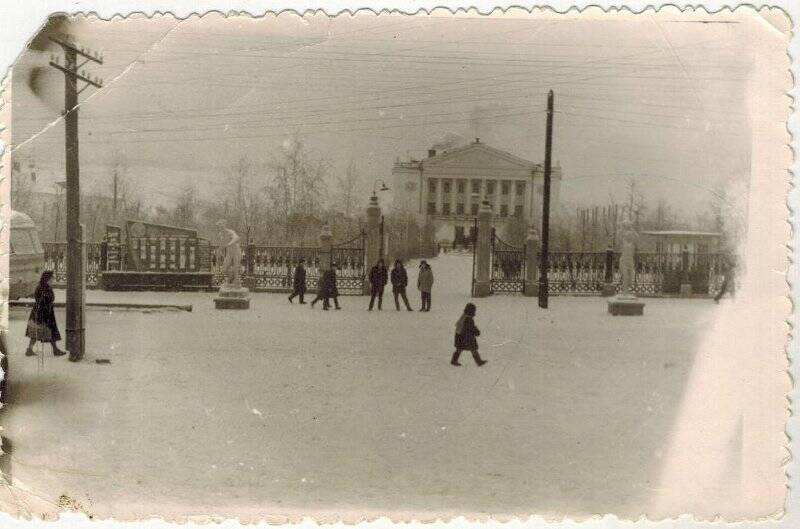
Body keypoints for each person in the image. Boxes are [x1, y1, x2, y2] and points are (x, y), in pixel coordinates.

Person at [25, 271, 67, 357]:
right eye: (52, 277)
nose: (53, 279)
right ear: (47, 278)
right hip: (43, 312)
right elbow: (43, 299)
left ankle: (30, 349)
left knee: (42, 331)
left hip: (43, 312)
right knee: (45, 330)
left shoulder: (44, 286)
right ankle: (54, 350)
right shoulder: (43, 288)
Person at [451, 303, 487, 367]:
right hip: (466, 337)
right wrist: (477, 332)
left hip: (460, 335)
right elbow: (471, 328)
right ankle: (479, 362)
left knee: (460, 348)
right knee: (473, 349)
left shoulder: (464, 316)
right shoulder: (469, 319)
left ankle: (454, 360)